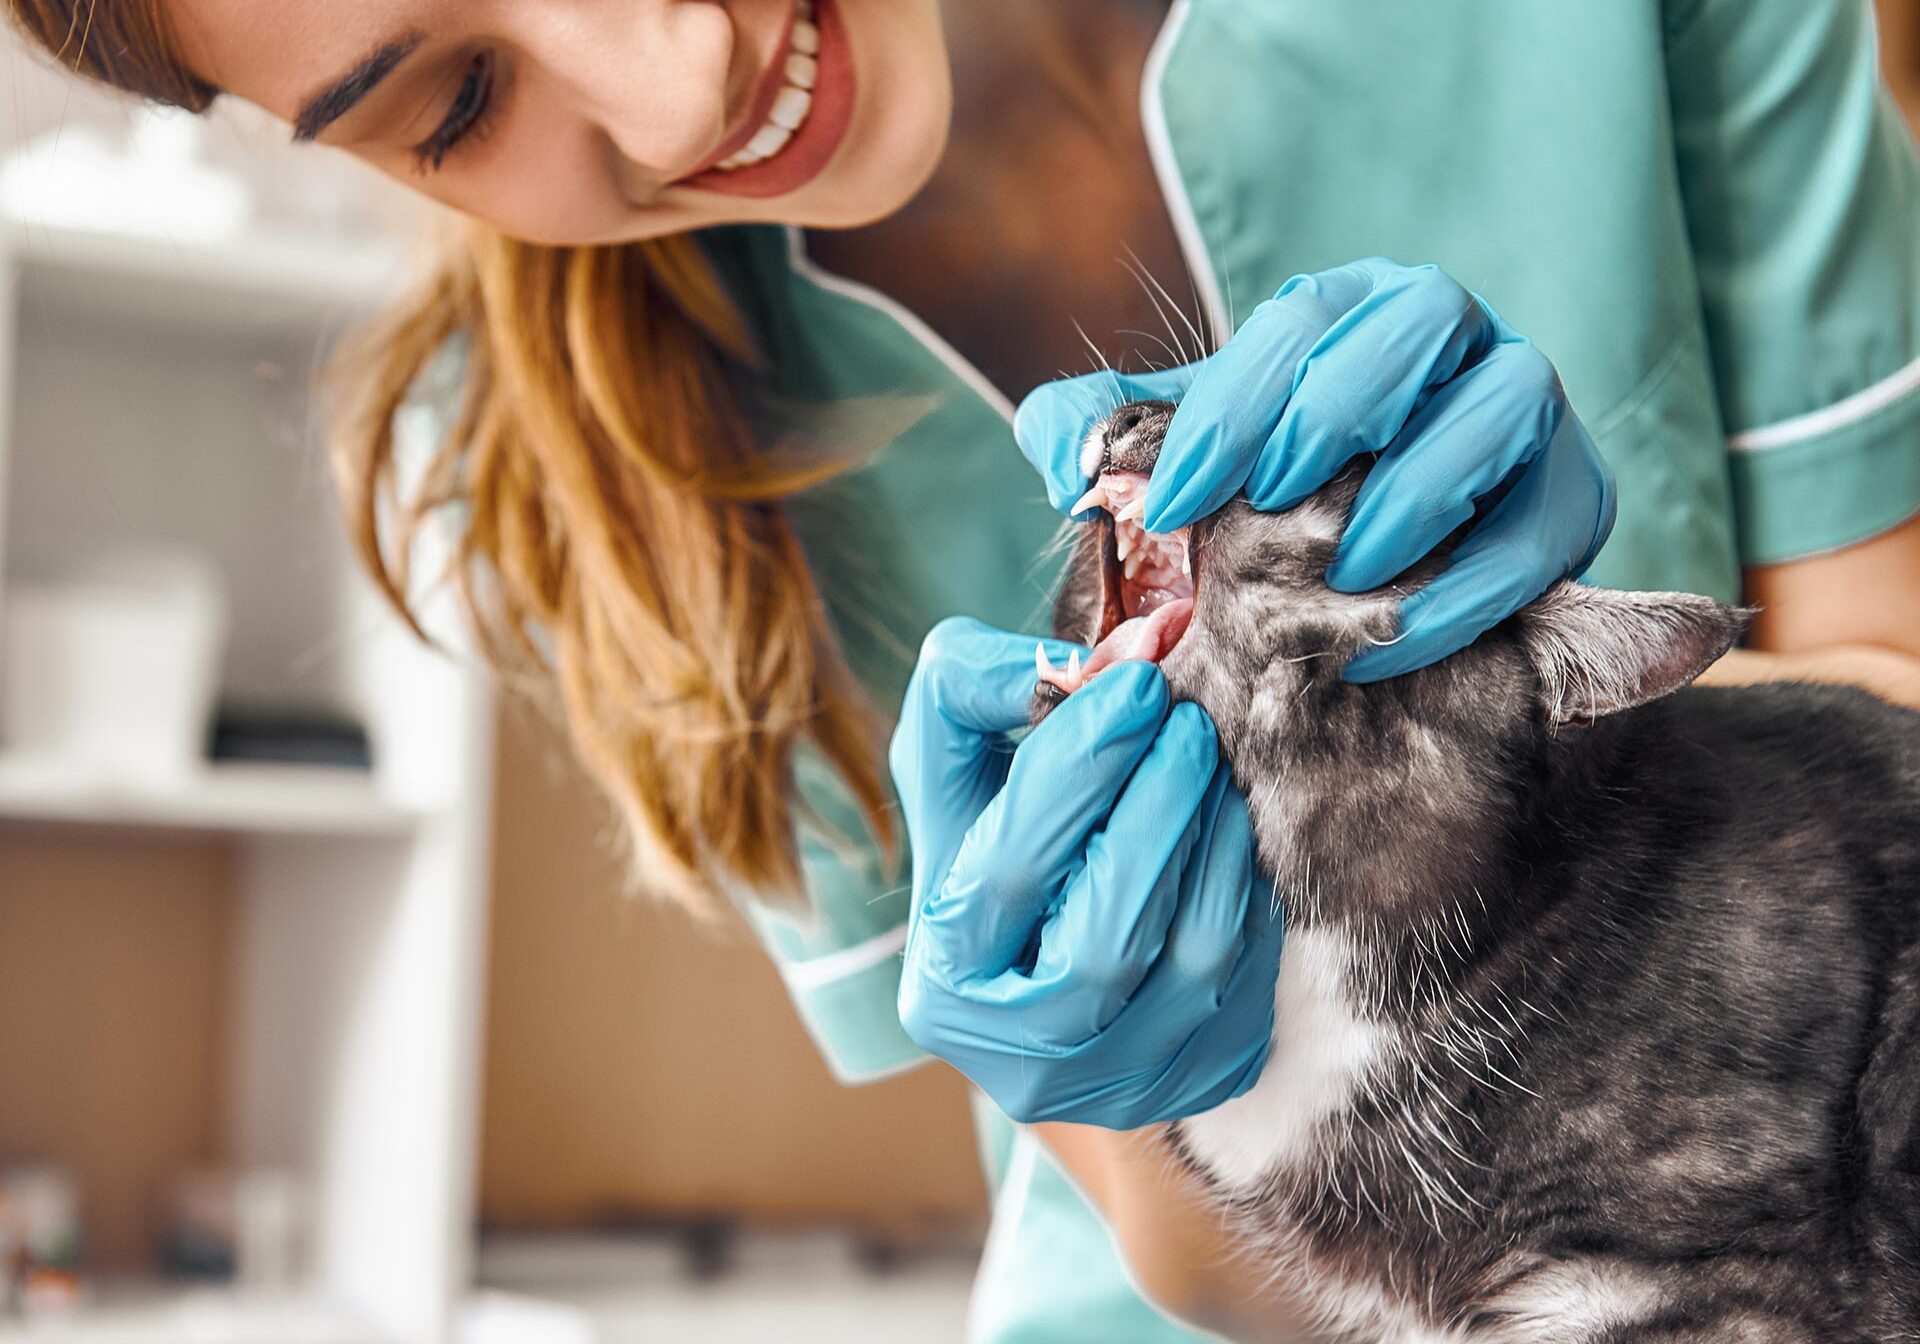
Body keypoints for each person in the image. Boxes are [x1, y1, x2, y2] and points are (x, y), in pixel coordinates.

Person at [14, 0, 1920, 1337]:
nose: (679, 96)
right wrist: (1127, 1091)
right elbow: (1181, 1257)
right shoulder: (578, 480)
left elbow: (1888, 728)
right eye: (450, 108)